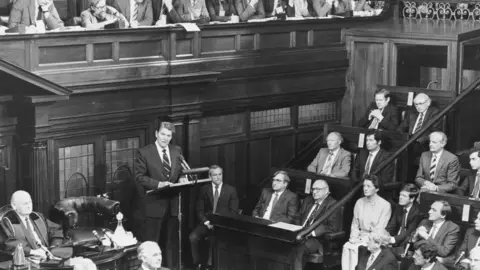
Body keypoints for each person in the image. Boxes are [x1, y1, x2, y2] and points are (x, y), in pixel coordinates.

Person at [134, 119, 188, 268]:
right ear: (156, 134)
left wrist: (183, 178)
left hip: (173, 206)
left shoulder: (177, 150)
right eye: (163, 134)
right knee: (153, 245)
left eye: (169, 136)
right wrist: (158, 184)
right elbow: (139, 177)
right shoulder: (144, 152)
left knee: (172, 244)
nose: (165, 138)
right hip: (154, 206)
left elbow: (180, 172)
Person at [189, 165, 238, 270]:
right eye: (215, 175)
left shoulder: (231, 190)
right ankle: (197, 263)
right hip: (207, 222)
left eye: (220, 174)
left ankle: (210, 266)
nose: (218, 177)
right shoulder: (204, 189)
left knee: (213, 239)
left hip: (223, 224)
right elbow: (199, 210)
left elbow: (233, 212)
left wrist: (221, 223)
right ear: (210, 176)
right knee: (193, 237)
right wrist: (207, 222)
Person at [342, 175, 392, 270]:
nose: (365, 188)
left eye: (369, 186)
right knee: (347, 246)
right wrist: (353, 238)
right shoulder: (359, 202)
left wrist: (366, 240)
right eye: (364, 186)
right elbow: (355, 225)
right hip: (359, 236)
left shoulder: (385, 205)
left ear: (376, 189)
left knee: (359, 248)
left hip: (375, 239)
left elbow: (380, 229)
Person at [0, 190, 64, 260]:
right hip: (28, 259)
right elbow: (8, 243)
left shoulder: (38, 216)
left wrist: (54, 247)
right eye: (25, 204)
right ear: (14, 205)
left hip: (48, 255)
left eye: (30, 202)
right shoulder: (7, 222)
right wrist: (32, 251)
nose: (29, 206)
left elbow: (55, 230)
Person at [293, 180, 338, 270]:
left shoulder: (333, 204)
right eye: (313, 189)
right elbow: (298, 216)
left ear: (326, 191)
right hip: (299, 234)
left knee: (299, 249)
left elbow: (332, 227)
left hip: (316, 240)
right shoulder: (308, 200)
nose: (314, 192)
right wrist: (297, 229)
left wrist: (312, 232)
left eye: (318, 189)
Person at [402, 201, 459, 269]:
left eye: (434, 210)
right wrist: (414, 238)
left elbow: (444, 251)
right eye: (430, 208)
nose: (429, 212)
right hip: (418, 260)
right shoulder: (425, 222)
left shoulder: (452, 228)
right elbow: (410, 245)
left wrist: (426, 236)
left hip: (435, 264)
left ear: (443, 215)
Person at [385, 184, 422, 258]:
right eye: (400, 195)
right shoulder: (399, 206)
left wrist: (392, 240)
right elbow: (392, 225)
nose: (400, 197)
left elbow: (409, 232)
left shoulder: (418, 212)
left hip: (406, 242)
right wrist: (385, 234)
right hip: (395, 239)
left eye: (404, 196)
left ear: (412, 199)